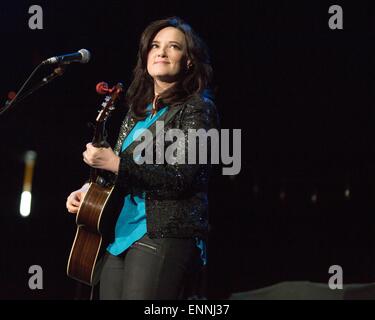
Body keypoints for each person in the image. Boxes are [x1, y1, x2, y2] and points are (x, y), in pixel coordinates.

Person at [66, 16, 219, 300]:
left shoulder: (198, 109)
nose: (161, 52)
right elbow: (121, 173)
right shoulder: (138, 111)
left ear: (189, 61)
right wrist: (88, 191)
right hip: (118, 234)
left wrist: (115, 163)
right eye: (155, 46)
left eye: (173, 46)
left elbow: (181, 177)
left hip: (162, 232)